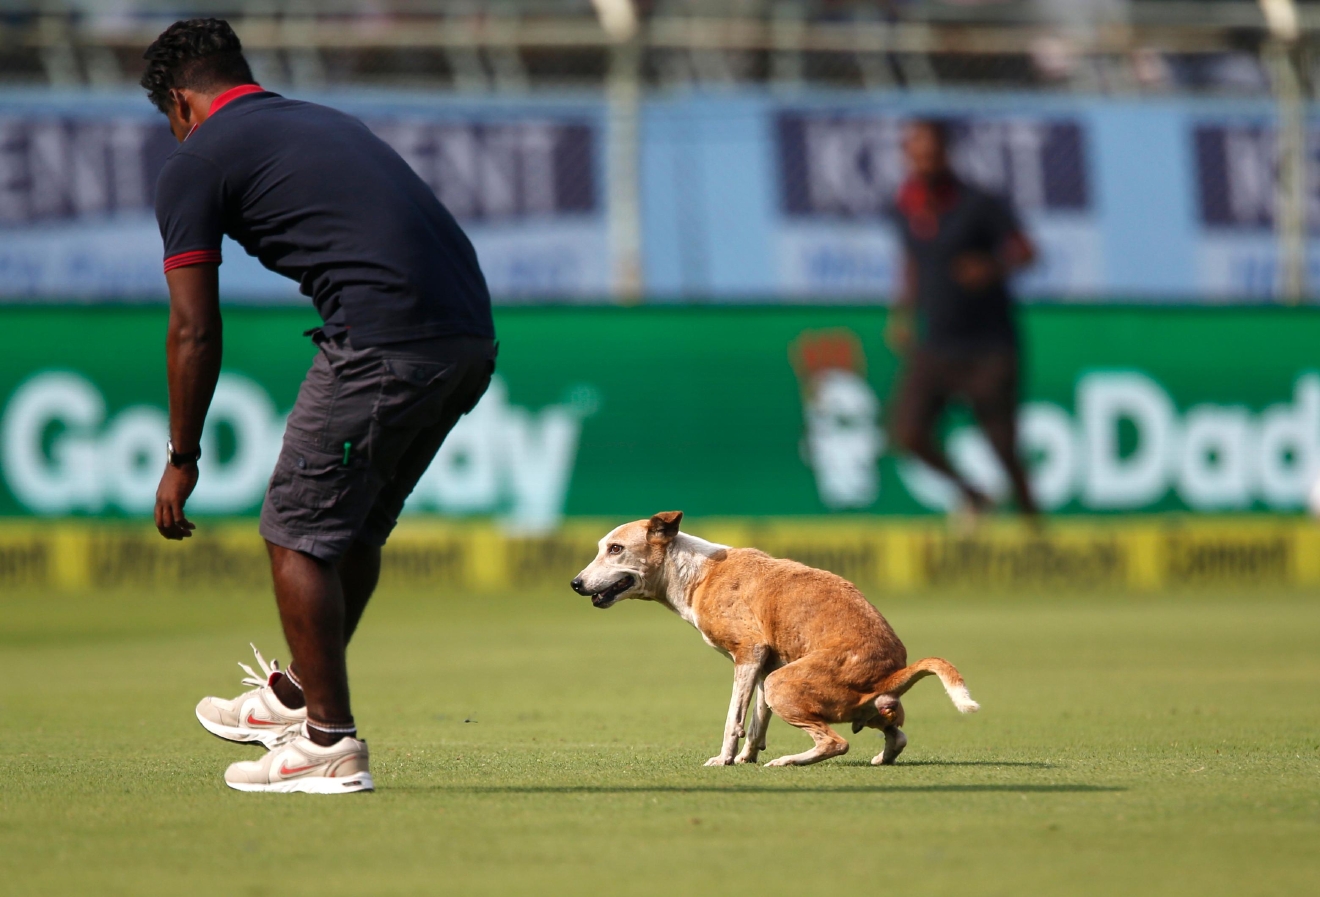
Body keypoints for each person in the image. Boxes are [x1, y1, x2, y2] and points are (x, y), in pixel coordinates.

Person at [143, 19, 497, 794]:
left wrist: (182, 455)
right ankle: (298, 700)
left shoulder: (196, 159)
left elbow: (194, 327)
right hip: (468, 338)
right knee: (347, 532)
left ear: (179, 102)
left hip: (383, 340)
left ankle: (327, 744)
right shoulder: (322, 119)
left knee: (296, 533)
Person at [886, 119, 1039, 521]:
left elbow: (1026, 251)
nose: (923, 161)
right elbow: (912, 263)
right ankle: (974, 494)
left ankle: (1034, 524)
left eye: (931, 153)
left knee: (1003, 445)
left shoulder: (978, 203)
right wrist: (902, 312)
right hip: (935, 343)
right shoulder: (904, 207)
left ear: (945, 154)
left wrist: (990, 266)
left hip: (988, 345)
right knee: (908, 432)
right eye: (915, 153)